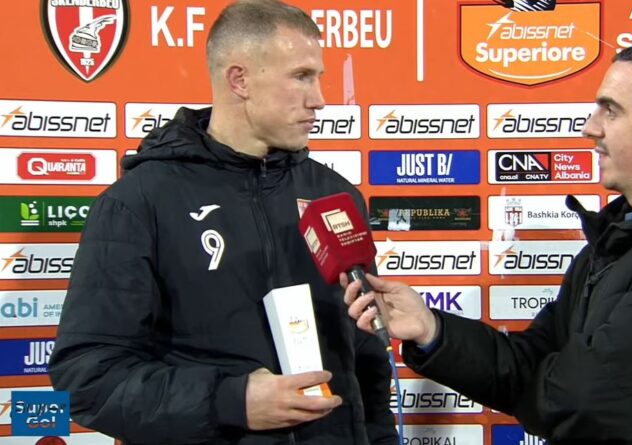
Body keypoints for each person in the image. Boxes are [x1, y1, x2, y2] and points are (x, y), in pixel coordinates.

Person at [344, 41, 632, 444]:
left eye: (610, 110)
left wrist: (549, 385)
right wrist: (431, 329)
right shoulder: (618, 242)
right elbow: (530, 367)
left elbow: (586, 401)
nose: (589, 127)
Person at [48, 1, 397, 444]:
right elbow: (88, 377)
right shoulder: (139, 202)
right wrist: (230, 402)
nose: (320, 99)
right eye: (301, 76)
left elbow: (367, 359)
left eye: (319, 77)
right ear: (239, 80)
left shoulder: (335, 196)